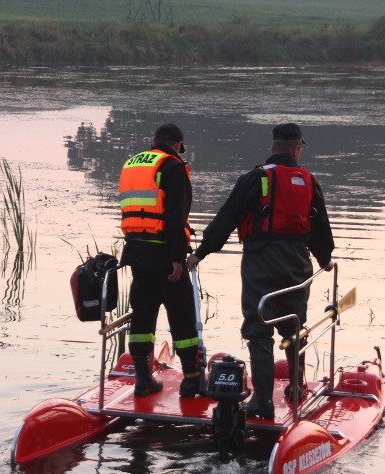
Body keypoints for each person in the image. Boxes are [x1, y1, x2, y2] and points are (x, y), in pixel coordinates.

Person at [187, 123, 334, 419]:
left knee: (259, 328)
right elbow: (320, 227)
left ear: (272, 147)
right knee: (294, 325)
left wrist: (200, 254)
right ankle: (296, 386)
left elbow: (227, 218)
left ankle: (263, 402)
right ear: (297, 149)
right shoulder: (308, 181)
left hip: (260, 260)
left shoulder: (255, 178)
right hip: (297, 262)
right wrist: (324, 259)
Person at [119, 123, 201, 398]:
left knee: (142, 318)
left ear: (154, 140)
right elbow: (175, 218)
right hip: (165, 256)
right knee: (183, 319)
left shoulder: (132, 164)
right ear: (178, 144)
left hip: (137, 255)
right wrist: (178, 259)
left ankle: (143, 379)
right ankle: (191, 381)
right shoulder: (173, 168)